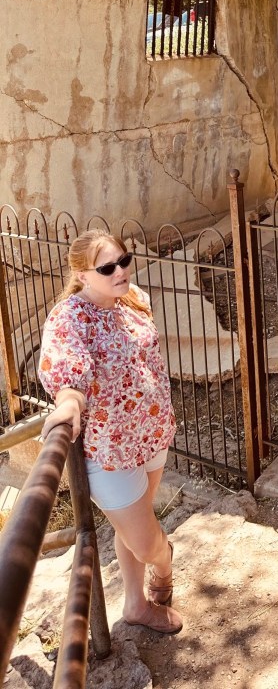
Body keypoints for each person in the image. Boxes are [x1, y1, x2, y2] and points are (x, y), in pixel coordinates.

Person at [39, 230, 182, 635]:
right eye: (107, 267)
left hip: (151, 434)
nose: (120, 271)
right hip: (109, 451)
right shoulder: (69, 318)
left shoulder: (132, 299)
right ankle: (166, 561)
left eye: (124, 260)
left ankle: (136, 606)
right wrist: (68, 402)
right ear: (83, 275)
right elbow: (69, 376)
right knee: (147, 541)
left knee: (131, 528)